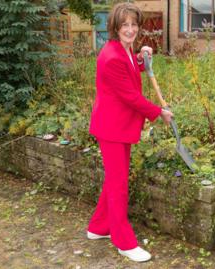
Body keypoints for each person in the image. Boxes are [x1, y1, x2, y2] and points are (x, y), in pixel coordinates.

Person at [86, 2, 173, 263]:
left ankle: (98, 228)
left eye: (134, 24)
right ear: (115, 26)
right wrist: (159, 113)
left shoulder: (121, 50)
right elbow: (132, 96)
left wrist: (142, 59)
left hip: (118, 127)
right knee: (119, 185)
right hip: (112, 129)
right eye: (125, 25)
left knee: (115, 179)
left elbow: (131, 68)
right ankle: (123, 241)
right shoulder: (111, 56)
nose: (130, 29)